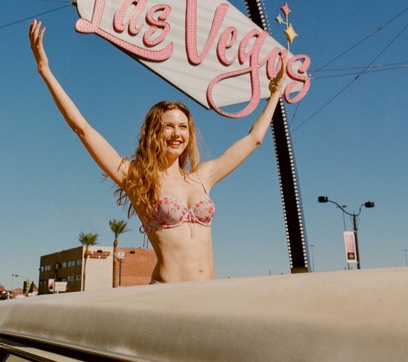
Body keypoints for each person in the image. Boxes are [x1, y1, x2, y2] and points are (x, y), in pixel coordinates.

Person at [29, 19, 286, 283]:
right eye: (169, 127)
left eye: (183, 127)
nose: (177, 134)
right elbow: (82, 129)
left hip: (209, 294)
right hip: (166, 295)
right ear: (154, 133)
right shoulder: (137, 178)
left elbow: (254, 139)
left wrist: (275, 94)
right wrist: (45, 71)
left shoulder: (202, 177)